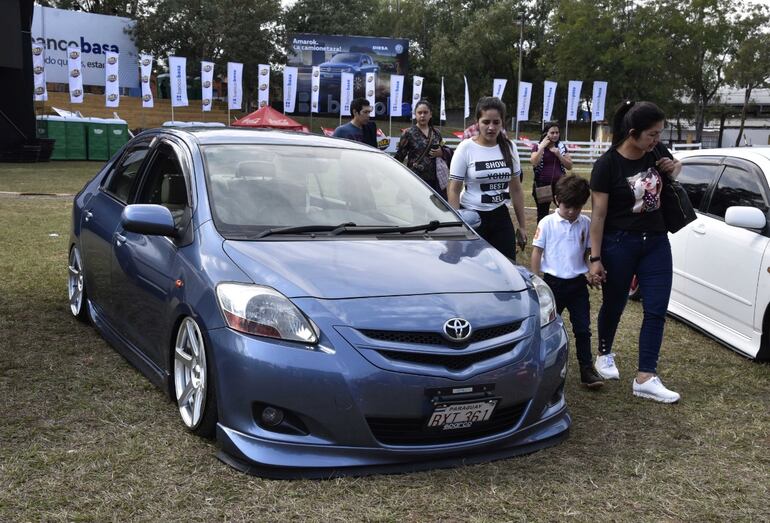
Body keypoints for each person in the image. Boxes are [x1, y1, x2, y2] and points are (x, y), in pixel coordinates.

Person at [589, 100, 682, 403]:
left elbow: (675, 170)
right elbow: (599, 215)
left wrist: (673, 167)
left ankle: (646, 376)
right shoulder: (607, 165)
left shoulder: (656, 152)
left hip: (656, 241)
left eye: (659, 134)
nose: (657, 140)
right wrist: (595, 257)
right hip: (620, 242)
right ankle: (603, 353)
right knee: (615, 304)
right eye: (652, 135)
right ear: (633, 133)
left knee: (656, 308)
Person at [531, 175, 603, 388]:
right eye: (567, 206)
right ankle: (538, 368)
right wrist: (537, 280)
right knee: (546, 329)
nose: (571, 212)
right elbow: (537, 252)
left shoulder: (585, 224)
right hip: (553, 285)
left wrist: (591, 271)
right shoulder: (547, 223)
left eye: (577, 207)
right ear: (556, 200)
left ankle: (587, 369)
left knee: (582, 328)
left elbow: (587, 253)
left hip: (577, 285)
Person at [448, 97, 527, 261]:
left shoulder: (510, 147)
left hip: (500, 216)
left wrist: (523, 226)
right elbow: (454, 189)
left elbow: (516, 189)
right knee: (472, 268)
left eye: (496, 122)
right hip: (472, 217)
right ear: (477, 122)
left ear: (502, 122)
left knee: (507, 267)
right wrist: (456, 224)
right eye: (486, 122)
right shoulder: (466, 148)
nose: (491, 127)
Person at [394, 99, 452, 198]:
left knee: (435, 210)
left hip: (435, 180)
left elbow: (444, 150)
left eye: (425, 112)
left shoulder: (436, 133)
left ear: (430, 114)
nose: (422, 115)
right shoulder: (408, 133)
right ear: (415, 114)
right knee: (418, 211)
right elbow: (399, 157)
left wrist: (441, 152)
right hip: (416, 180)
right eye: (419, 113)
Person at [529, 122, 573, 223]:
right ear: (546, 134)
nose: (555, 135)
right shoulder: (538, 146)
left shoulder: (561, 147)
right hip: (542, 185)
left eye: (557, 132)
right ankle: (542, 237)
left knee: (565, 210)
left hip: (560, 185)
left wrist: (558, 155)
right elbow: (534, 162)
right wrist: (542, 147)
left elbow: (569, 166)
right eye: (552, 133)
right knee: (543, 214)